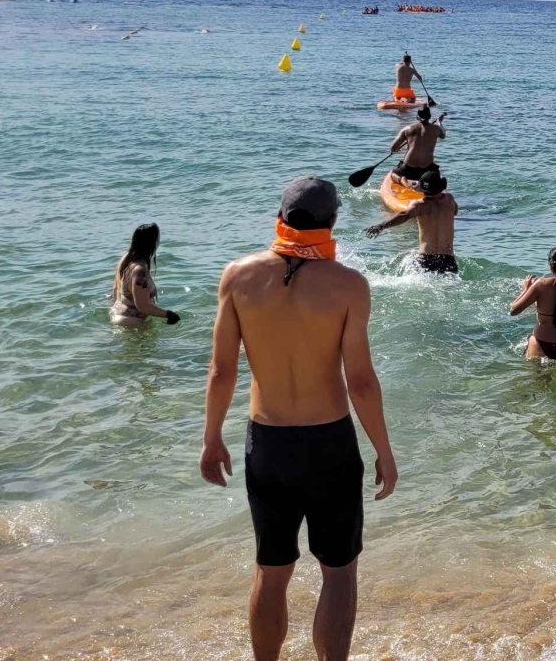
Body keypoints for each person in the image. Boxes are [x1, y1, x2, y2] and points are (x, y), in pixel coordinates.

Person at [200, 176, 397, 661]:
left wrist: (211, 439)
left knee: (271, 568)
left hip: (266, 443)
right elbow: (363, 383)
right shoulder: (349, 285)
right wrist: (385, 452)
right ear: (331, 221)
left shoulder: (238, 276)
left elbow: (222, 370)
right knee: (338, 571)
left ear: (281, 216)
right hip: (328, 443)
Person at [365, 170, 459, 274]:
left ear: (422, 189)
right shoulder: (449, 200)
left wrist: (381, 226)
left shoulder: (419, 205)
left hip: (426, 259)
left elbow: (403, 215)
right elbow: (455, 211)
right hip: (448, 260)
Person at [109, 223, 182, 327]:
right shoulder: (140, 270)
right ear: (152, 242)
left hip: (118, 313)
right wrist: (169, 314)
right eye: (158, 238)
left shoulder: (126, 259)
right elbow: (142, 306)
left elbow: (116, 288)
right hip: (132, 322)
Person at [387, 107, 447, 183]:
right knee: (436, 174)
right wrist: (439, 122)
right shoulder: (436, 129)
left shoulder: (407, 129)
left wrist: (397, 149)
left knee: (393, 174)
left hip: (408, 168)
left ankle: (401, 179)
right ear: (430, 117)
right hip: (426, 169)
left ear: (417, 117)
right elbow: (443, 135)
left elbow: (393, 148)